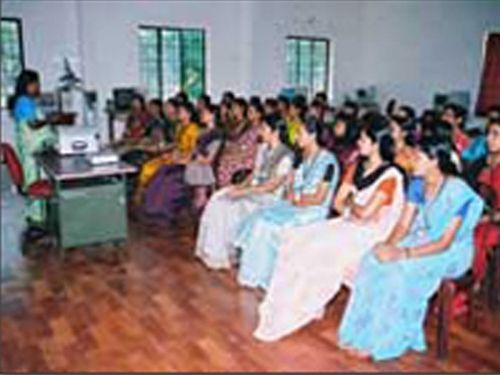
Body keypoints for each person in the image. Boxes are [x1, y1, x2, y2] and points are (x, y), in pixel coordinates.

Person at [253, 113, 405, 342]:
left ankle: (308, 301)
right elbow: (338, 203)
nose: (359, 143)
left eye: (364, 140)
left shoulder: (391, 175)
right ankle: (296, 301)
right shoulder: (357, 166)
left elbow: (365, 214)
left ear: (377, 144)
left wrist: (352, 203)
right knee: (299, 238)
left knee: (320, 246)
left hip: (371, 234)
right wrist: (354, 206)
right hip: (349, 224)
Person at [337, 136, 484, 361]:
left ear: (434, 161)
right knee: (371, 260)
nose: (411, 161)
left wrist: (403, 253)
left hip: (451, 252)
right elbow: (404, 224)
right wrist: (388, 245)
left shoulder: (457, 191)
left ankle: (385, 341)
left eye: (417, 157)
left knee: (398, 271)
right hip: (421, 239)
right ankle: (359, 332)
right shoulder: (417, 182)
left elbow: (445, 242)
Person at [235, 117, 340, 290]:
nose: (296, 137)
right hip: (295, 205)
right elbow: (291, 185)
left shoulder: (328, 161)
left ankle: (270, 278)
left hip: (312, 211)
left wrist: (298, 200)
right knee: (260, 217)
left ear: (313, 135)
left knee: (268, 225)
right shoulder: (302, 157)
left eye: (300, 133)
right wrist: (292, 194)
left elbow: (320, 197)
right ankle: (258, 274)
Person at [195, 114, 293, 269]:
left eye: (264, 128)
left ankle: (227, 252)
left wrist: (244, 192)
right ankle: (213, 251)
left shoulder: (286, 156)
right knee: (218, 197)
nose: (260, 132)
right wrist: (240, 186)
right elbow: (254, 174)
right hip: (254, 190)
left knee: (229, 206)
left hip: (269, 198)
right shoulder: (263, 149)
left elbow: (271, 187)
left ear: (275, 132)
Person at [8, 69, 59, 232]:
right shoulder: (24, 101)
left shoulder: (24, 100)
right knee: (33, 180)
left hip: (32, 147)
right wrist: (50, 120)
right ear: (29, 84)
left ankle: (38, 215)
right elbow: (33, 125)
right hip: (33, 149)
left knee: (34, 178)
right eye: (36, 84)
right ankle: (38, 218)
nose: (38, 87)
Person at [134, 102, 199, 204]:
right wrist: (167, 151)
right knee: (147, 165)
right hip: (174, 154)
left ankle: (147, 197)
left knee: (153, 169)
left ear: (188, 114)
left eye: (180, 112)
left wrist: (180, 156)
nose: (178, 114)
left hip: (184, 157)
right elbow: (176, 143)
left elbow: (193, 149)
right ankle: (142, 193)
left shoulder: (193, 128)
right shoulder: (179, 127)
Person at [467, 120, 500, 284]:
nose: (489, 139)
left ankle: (473, 284)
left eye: (496, 135)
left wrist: (488, 218)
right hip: (476, 215)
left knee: (481, 237)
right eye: (489, 134)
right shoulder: (477, 165)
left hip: (495, 221)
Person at [184, 104, 225, 212]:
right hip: (197, 160)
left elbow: (211, 156)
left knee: (197, 167)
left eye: (205, 113)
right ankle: (199, 197)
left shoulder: (217, 133)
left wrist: (198, 157)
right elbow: (195, 149)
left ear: (213, 115)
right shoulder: (201, 131)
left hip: (207, 162)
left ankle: (202, 198)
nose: (201, 115)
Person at [216, 98, 260, 187]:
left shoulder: (253, 128)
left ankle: (229, 189)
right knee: (223, 159)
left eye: (251, 112)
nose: (232, 110)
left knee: (227, 162)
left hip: (248, 156)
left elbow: (250, 148)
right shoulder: (233, 123)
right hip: (238, 151)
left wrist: (234, 153)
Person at [390, 108, 418, 174]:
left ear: (404, 133)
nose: (389, 133)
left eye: (392, 130)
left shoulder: (409, 154)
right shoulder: (387, 148)